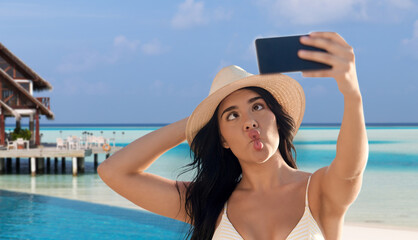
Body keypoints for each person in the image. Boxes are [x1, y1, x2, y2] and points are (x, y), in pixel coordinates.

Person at [98, 32, 368, 240]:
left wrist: (352, 94)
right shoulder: (209, 204)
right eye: (232, 115)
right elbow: (114, 171)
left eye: (257, 106)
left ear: (276, 117)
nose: (249, 121)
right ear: (223, 139)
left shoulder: (319, 191)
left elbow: (350, 169)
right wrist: (196, 121)